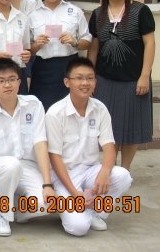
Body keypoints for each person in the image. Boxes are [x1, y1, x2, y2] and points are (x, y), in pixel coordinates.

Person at [46, 57, 132, 236]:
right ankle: (72, 208)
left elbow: (109, 145)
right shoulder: (55, 113)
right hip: (64, 175)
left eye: (90, 78)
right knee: (78, 228)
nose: (85, 83)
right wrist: (74, 193)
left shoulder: (100, 108)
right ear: (67, 82)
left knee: (122, 176)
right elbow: (54, 157)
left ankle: (94, 212)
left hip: (90, 169)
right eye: (79, 78)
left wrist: (105, 171)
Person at [0, 58, 54, 237]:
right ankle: (3, 214)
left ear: (19, 82)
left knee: (47, 203)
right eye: (1, 81)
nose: (7, 85)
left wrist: (47, 184)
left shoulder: (34, 105)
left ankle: (17, 209)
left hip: (28, 167)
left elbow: (40, 144)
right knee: (10, 165)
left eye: (11, 79)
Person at [88, 0, 155, 170]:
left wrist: (144, 76)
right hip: (105, 79)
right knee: (109, 127)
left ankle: (125, 170)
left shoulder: (140, 11)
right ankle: (110, 167)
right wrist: (90, 77)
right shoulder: (98, 14)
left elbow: (150, 44)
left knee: (131, 127)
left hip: (133, 79)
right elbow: (94, 47)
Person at [28, 0, 91, 110]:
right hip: (42, 68)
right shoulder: (32, 15)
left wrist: (74, 42)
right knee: (41, 109)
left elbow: (87, 41)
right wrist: (37, 45)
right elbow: (27, 49)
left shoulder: (75, 11)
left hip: (69, 66)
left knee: (70, 109)